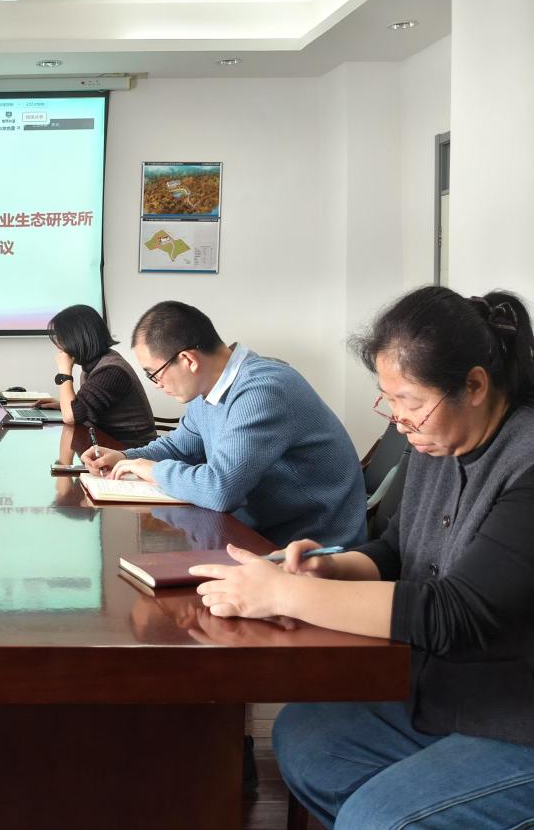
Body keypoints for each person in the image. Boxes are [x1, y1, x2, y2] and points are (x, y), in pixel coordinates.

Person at [190, 287, 534, 828]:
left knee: (376, 818)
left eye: (411, 402)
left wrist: (287, 594)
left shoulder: (525, 463)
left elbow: (457, 614)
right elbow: (396, 549)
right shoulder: (439, 443)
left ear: (474, 385)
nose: (398, 421)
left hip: (517, 718)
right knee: (306, 739)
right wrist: (330, 568)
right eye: (389, 399)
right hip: (447, 695)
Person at [82, 301, 366, 548]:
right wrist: (125, 458)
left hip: (312, 547)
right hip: (260, 532)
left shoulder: (261, 390)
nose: (157, 384)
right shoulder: (209, 390)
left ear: (188, 360)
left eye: (154, 373)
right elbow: (179, 447)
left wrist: (153, 470)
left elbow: (220, 490)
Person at [39, 304, 157, 447]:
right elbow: (84, 408)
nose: (59, 346)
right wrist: (61, 405)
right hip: (106, 443)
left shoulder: (111, 371)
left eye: (62, 339)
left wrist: (64, 373)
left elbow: (71, 417)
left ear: (78, 338)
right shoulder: (94, 365)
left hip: (130, 449)